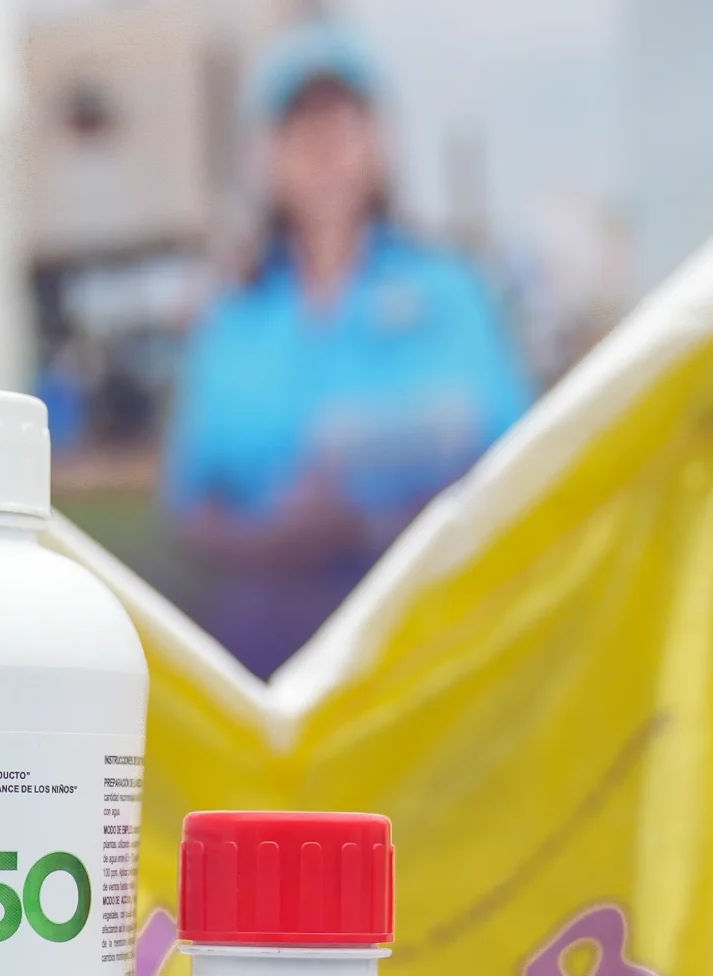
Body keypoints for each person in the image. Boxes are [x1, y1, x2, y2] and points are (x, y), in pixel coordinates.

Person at [163, 22, 533, 679]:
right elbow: (192, 504)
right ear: (267, 156)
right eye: (301, 130)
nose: (324, 150)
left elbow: (512, 450)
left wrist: (375, 524)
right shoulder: (234, 317)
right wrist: (275, 540)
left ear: (379, 142)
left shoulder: (450, 290)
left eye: (342, 124)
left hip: (428, 636)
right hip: (271, 650)